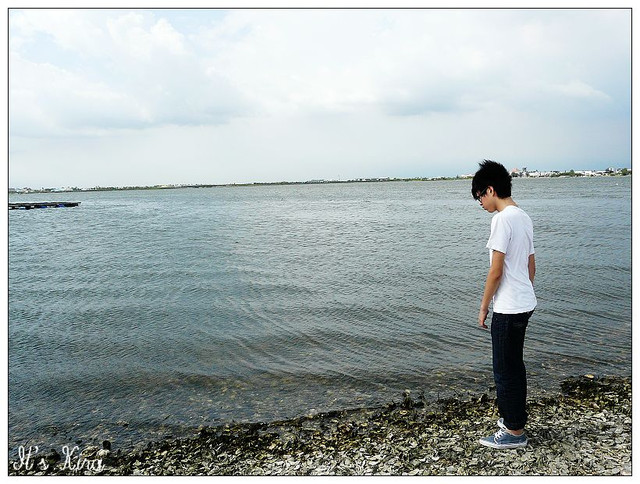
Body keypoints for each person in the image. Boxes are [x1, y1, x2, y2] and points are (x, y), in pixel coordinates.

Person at [471, 160, 537, 449]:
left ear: (490, 190)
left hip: (509, 308)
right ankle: (514, 419)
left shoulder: (501, 219)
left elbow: (495, 271)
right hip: (525, 302)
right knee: (515, 366)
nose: (480, 203)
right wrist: (524, 291)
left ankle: (514, 432)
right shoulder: (523, 216)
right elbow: (531, 265)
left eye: (479, 197)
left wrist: (484, 306)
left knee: (504, 369)